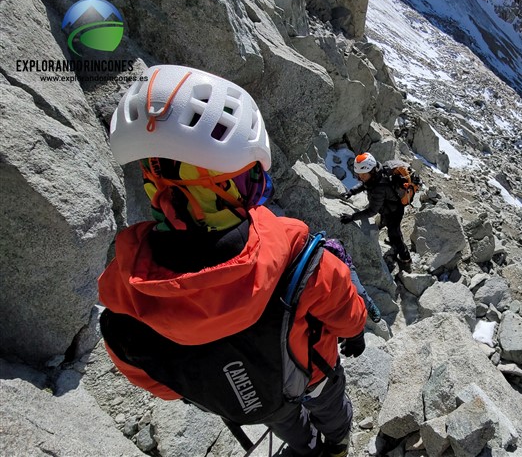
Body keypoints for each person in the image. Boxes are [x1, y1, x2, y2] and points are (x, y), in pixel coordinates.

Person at [97, 64, 367, 457]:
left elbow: (153, 377)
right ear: (229, 188)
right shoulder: (300, 259)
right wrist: (355, 330)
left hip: (258, 398)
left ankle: (309, 449)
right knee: (330, 407)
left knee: (288, 424)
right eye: (253, 184)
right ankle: (338, 444)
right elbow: (348, 313)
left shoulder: (123, 294)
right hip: (314, 370)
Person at [339, 153, 411, 265]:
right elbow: (365, 184)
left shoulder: (380, 187)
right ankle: (397, 243)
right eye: (359, 175)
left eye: (363, 175)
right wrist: (351, 192)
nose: (360, 178)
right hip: (388, 207)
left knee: (394, 235)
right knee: (389, 226)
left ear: (372, 171)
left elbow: (372, 211)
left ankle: (405, 258)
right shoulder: (376, 175)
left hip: (394, 212)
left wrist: (352, 217)